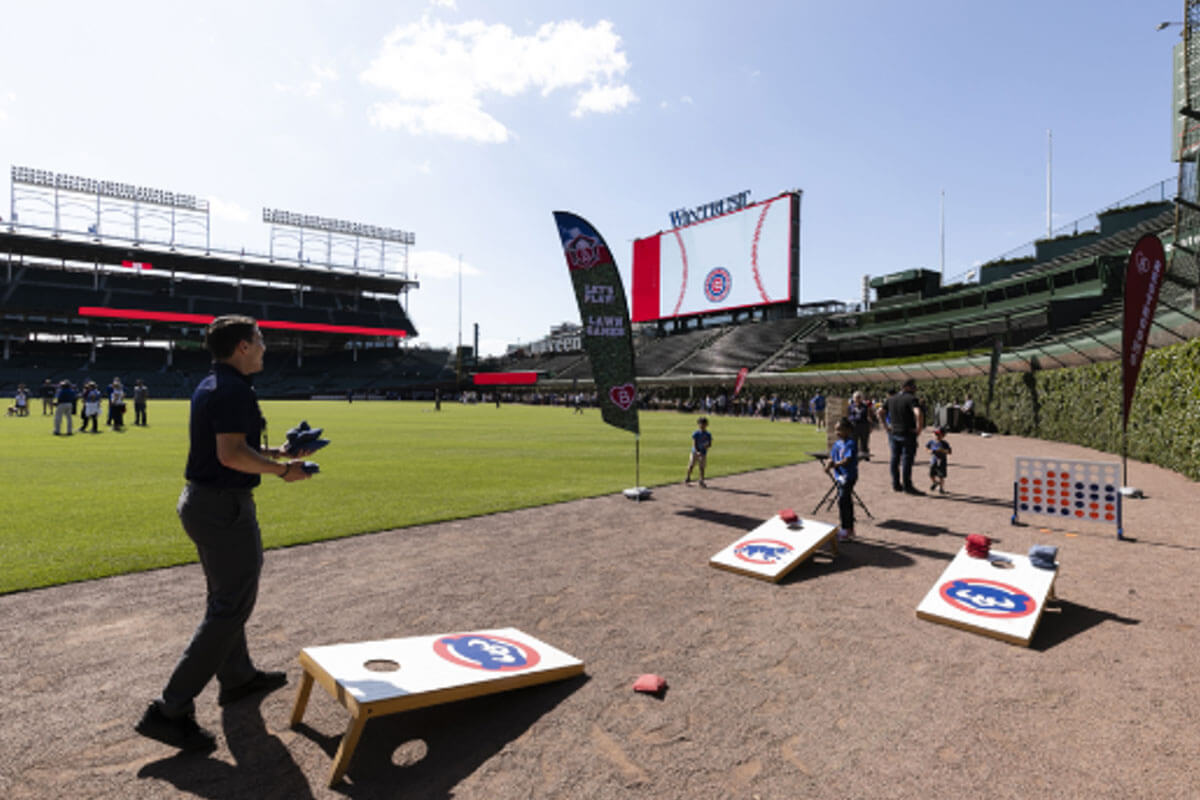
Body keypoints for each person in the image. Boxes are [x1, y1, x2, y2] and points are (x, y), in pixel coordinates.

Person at [136, 315, 314, 753]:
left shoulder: (217, 383)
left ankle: (236, 677)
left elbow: (231, 447)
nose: (264, 347)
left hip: (205, 502)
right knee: (231, 604)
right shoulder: (233, 389)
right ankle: (169, 709)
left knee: (225, 599)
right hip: (222, 508)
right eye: (259, 341)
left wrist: (279, 453)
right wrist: (282, 471)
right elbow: (232, 455)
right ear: (241, 347)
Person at [885, 378, 924, 495]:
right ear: (907, 387)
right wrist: (919, 428)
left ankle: (896, 484)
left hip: (894, 432)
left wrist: (886, 426)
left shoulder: (891, 399)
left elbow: (880, 412)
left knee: (894, 459)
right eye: (913, 386)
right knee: (907, 460)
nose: (915, 388)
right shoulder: (911, 399)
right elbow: (918, 413)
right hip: (907, 433)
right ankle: (907, 486)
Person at [825, 417, 859, 541]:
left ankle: (846, 529)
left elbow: (847, 460)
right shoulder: (837, 444)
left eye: (840, 430)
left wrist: (835, 465)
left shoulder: (851, 443)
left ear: (848, 430)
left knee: (843, 501)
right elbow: (832, 457)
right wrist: (829, 465)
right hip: (840, 476)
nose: (837, 433)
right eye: (836, 430)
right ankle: (849, 528)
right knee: (845, 501)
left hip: (849, 476)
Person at [685, 416, 712, 487]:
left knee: (702, 467)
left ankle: (701, 480)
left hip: (703, 453)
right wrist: (697, 451)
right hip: (695, 452)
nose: (702, 425)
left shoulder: (708, 434)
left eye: (704, 424)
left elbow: (709, 444)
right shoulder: (696, 433)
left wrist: (706, 446)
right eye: (701, 424)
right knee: (691, 465)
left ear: (706, 425)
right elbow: (694, 443)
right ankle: (688, 477)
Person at [927, 426, 952, 493]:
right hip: (933, 461)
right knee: (931, 474)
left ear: (943, 435)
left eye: (938, 434)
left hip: (942, 461)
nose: (936, 436)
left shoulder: (945, 443)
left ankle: (941, 488)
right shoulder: (931, 442)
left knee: (941, 475)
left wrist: (943, 451)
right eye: (935, 434)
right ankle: (935, 482)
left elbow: (949, 452)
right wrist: (930, 451)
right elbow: (927, 448)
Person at [847, 391, 872, 461]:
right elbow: (848, 416)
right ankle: (854, 456)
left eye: (859, 397)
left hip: (863, 425)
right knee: (854, 441)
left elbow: (868, 416)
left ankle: (865, 455)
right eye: (856, 397)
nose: (857, 399)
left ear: (861, 398)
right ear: (853, 398)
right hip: (854, 425)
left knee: (864, 442)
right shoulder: (850, 407)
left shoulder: (865, 406)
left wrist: (870, 426)